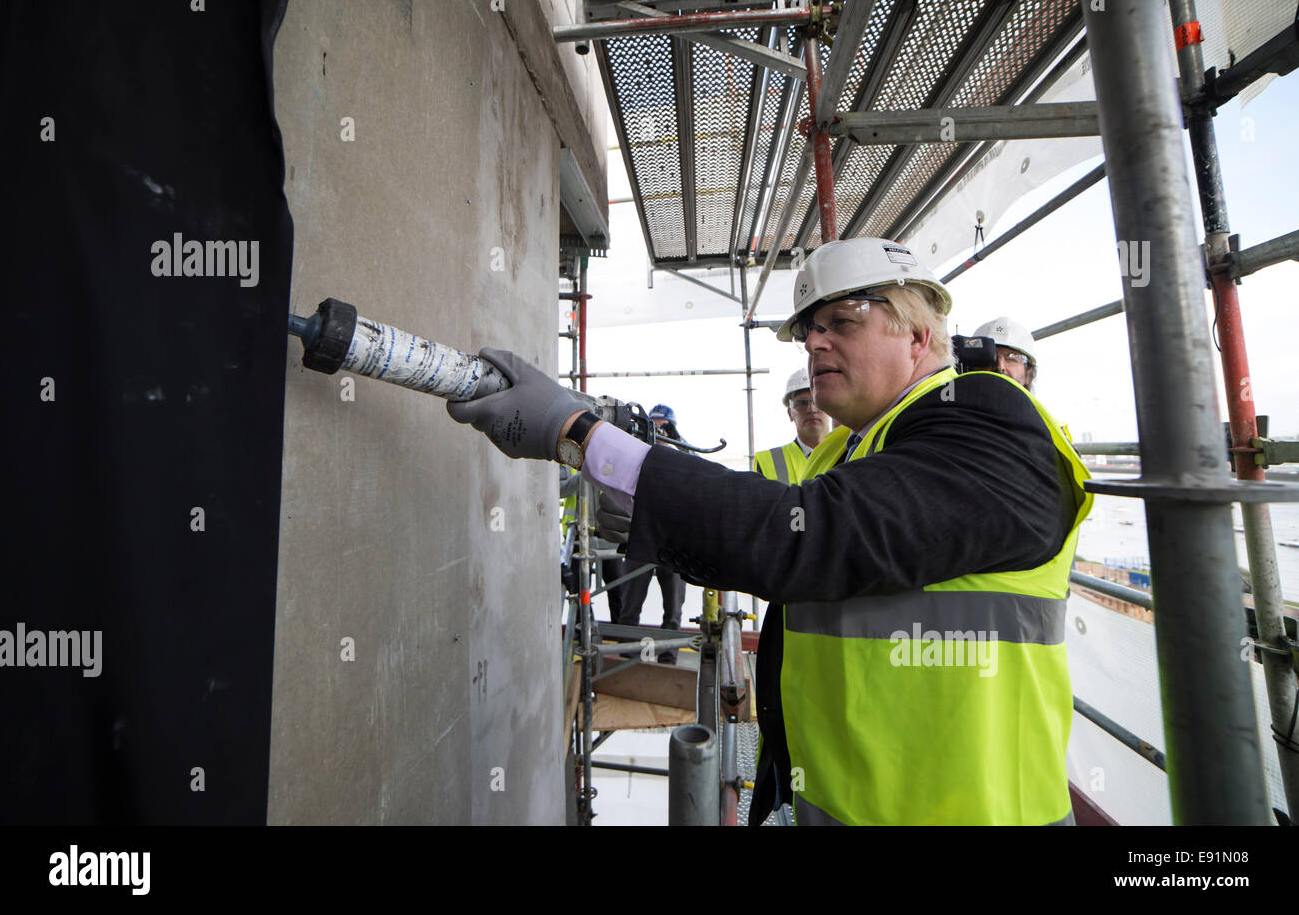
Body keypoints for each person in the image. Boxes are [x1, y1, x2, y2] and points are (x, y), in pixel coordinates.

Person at [447, 236, 1093, 825]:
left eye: (842, 322)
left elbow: (797, 539)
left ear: (919, 336)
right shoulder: (847, 451)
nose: (814, 343)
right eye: (809, 330)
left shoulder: (990, 425)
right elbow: (750, 529)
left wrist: (580, 435)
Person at [602, 404, 687, 663]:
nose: (660, 432)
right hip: (641, 540)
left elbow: (699, 467)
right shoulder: (638, 457)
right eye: (656, 426)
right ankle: (626, 656)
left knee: (672, 609)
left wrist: (679, 440)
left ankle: (668, 659)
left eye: (665, 427)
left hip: (675, 544)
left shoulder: (683, 461)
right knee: (630, 604)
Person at [753, 367, 829, 485]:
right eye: (802, 403)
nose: (811, 409)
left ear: (830, 408)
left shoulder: (848, 453)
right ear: (790, 414)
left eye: (816, 401)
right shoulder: (769, 461)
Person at [972, 315, 1038, 391]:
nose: (1000, 366)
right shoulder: (955, 397)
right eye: (991, 356)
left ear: (1028, 374)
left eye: (1011, 358)